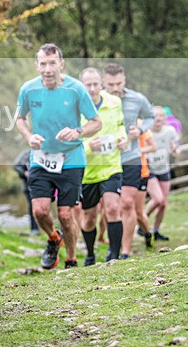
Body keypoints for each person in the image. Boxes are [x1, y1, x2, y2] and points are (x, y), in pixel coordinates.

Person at [15, 44, 101, 270]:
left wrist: (78, 131)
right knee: (40, 211)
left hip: (71, 158)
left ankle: (71, 259)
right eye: (43, 64)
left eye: (52, 63)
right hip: (41, 157)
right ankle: (54, 238)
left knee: (65, 214)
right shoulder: (28, 89)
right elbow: (20, 118)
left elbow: (96, 122)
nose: (48, 69)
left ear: (61, 64)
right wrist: (28, 136)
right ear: (37, 66)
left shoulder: (76, 89)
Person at [102, 63, 155, 256]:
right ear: (103, 82)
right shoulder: (97, 100)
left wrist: (139, 130)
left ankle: (125, 251)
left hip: (132, 157)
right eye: (110, 84)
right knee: (111, 206)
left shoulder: (137, 98)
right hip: (108, 159)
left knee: (126, 203)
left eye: (118, 83)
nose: (115, 88)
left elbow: (150, 117)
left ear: (124, 80)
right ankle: (113, 247)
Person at [77, 68, 127, 265]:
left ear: (101, 84)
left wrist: (122, 138)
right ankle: (90, 254)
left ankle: (114, 255)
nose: (92, 88)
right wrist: (88, 146)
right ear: (82, 86)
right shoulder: (74, 107)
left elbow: (120, 125)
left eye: (96, 84)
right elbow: (69, 139)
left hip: (111, 165)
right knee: (89, 218)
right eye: (87, 85)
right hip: (87, 170)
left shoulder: (114, 102)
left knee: (113, 208)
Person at [143, 106, 179, 241]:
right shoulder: (145, 132)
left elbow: (176, 150)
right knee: (158, 199)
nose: (158, 119)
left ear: (165, 118)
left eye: (161, 116)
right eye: (155, 116)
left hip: (164, 169)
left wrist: (175, 149)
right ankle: (142, 223)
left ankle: (156, 231)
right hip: (149, 170)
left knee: (163, 204)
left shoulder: (170, 131)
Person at [12, 148, 38, 235]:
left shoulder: (45, 152)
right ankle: (34, 229)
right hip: (28, 185)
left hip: (43, 184)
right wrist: (24, 173)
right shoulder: (26, 154)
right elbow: (16, 166)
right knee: (32, 205)